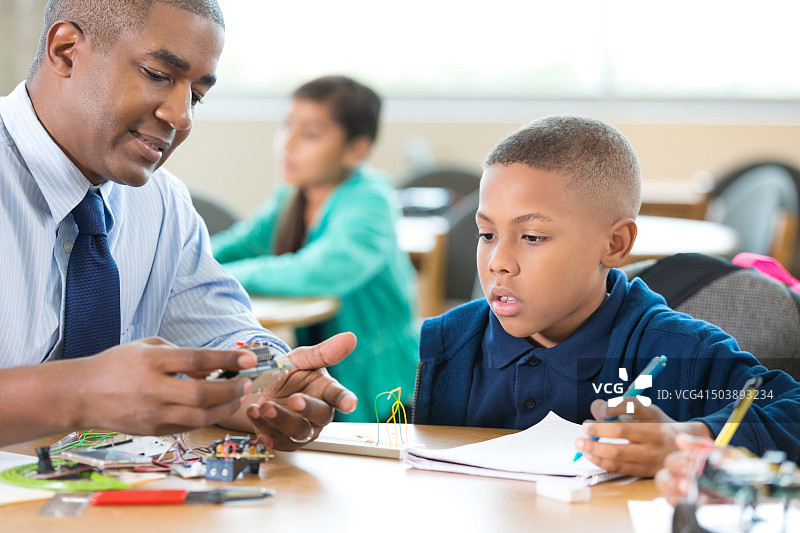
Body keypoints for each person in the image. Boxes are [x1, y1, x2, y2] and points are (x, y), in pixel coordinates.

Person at [0, 0, 358, 448]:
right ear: (67, 50)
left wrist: (265, 381)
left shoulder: (163, 203)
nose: (182, 115)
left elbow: (220, 332)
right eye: (158, 75)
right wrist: (78, 393)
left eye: (197, 95)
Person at [412, 116, 800, 477]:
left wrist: (688, 439)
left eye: (531, 237)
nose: (498, 263)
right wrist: (349, 404)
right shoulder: (454, 343)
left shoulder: (678, 352)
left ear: (615, 244)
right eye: (487, 235)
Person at [211, 76, 419, 422]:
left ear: (355, 150)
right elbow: (238, 245)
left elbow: (320, 270)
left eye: (310, 134)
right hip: (327, 367)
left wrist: (227, 276)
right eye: (285, 127)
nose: (287, 144)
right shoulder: (290, 195)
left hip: (383, 386)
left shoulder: (371, 198)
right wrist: (188, 265)